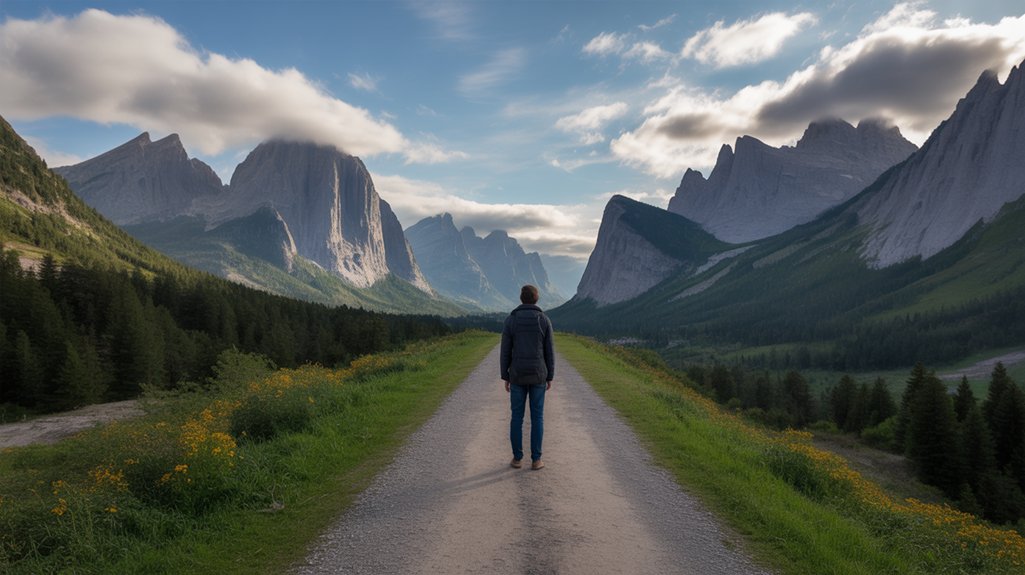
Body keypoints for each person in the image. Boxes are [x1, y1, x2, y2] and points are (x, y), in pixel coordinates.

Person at [501, 284, 555, 470]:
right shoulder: (544, 320)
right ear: (536, 299)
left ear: (521, 298)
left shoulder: (511, 320)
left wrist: (505, 375)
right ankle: (536, 460)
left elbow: (505, 351)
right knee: (537, 417)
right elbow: (550, 352)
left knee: (517, 417)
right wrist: (550, 376)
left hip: (517, 374)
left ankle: (517, 459)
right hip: (539, 374)